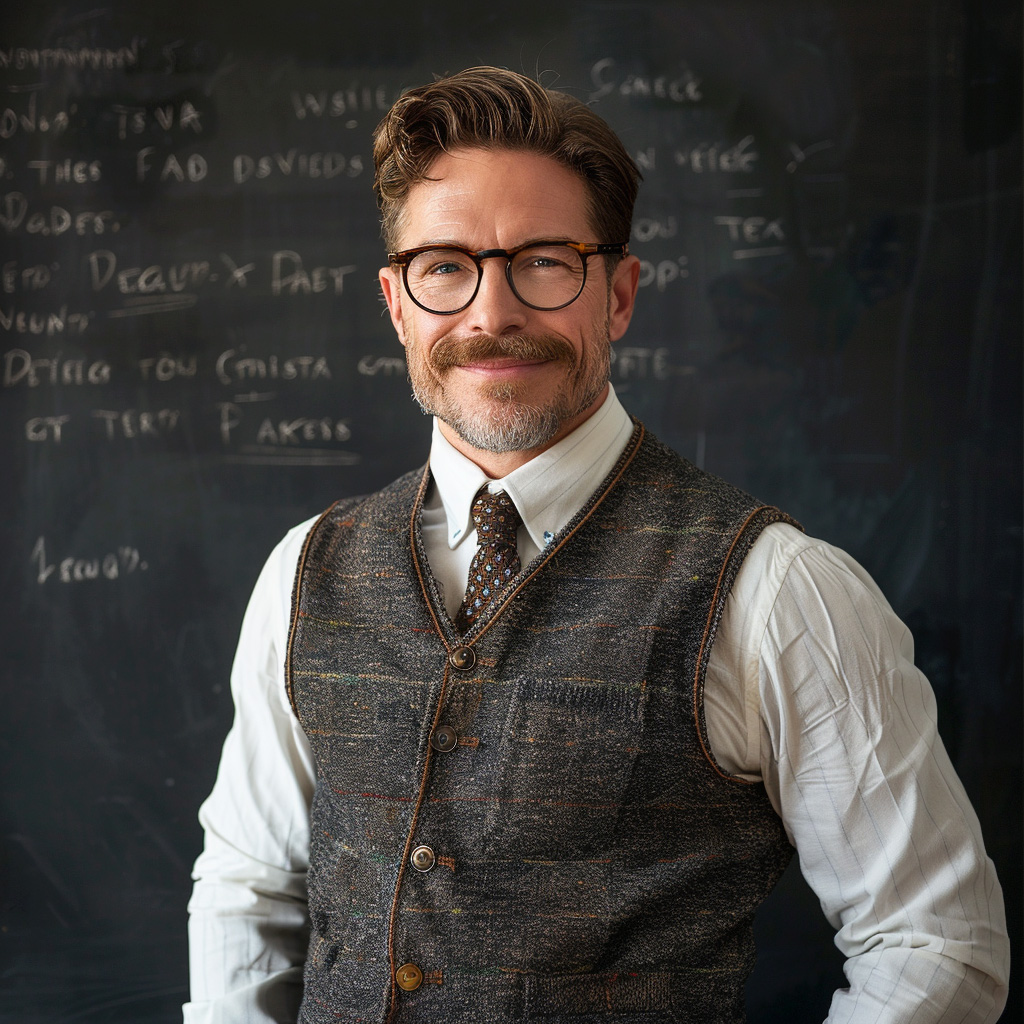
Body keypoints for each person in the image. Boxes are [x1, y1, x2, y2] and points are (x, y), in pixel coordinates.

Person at [184, 67, 1009, 1024]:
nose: (490, 315)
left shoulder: (778, 592)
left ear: (617, 295)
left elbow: (936, 945)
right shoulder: (303, 571)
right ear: (398, 303)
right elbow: (249, 891)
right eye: (446, 266)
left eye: (542, 260)